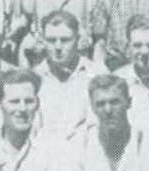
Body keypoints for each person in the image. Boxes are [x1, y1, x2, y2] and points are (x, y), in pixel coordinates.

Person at [34, 9, 103, 139]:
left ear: (77, 40)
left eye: (65, 40)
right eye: (51, 40)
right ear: (43, 41)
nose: (58, 47)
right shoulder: (35, 78)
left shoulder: (96, 74)